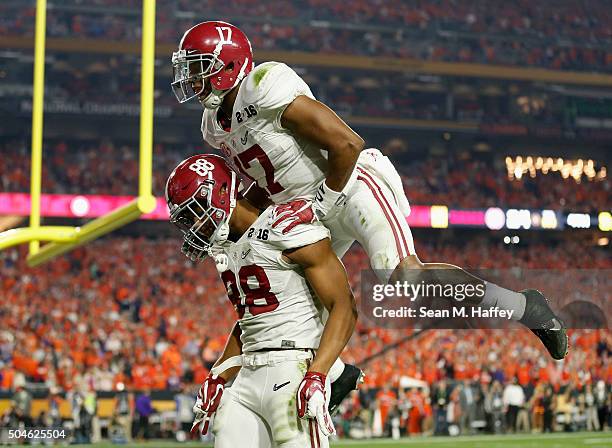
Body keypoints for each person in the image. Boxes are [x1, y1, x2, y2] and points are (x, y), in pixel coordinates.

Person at [170, 20, 567, 362]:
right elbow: (267, 176)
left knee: (403, 277)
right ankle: (339, 377)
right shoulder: (214, 126)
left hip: (351, 184)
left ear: (229, 63)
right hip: (308, 206)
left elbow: (346, 143)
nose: (192, 78)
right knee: (294, 308)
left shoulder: (264, 87)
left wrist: (319, 202)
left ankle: (525, 306)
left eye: (199, 67)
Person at [166, 154, 358, 448]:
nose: (194, 226)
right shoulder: (227, 250)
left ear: (219, 192)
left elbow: (344, 306)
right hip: (248, 378)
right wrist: (218, 375)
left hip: (293, 370)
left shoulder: (283, 225)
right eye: (186, 220)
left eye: (195, 213)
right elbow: (251, 322)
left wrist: (318, 374)